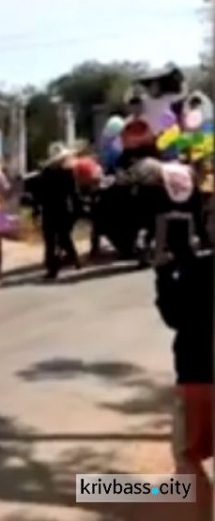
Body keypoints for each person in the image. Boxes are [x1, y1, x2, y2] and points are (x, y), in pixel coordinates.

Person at [154, 220, 213, 520]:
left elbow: (174, 315)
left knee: (187, 456)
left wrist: (164, 274)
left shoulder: (197, 270)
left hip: (198, 377)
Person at [36, 143, 81, 279]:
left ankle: (58, 265)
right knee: (57, 239)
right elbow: (73, 193)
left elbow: (72, 193)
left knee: (59, 238)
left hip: (55, 209)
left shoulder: (57, 173)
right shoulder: (60, 173)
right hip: (58, 209)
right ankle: (59, 264)